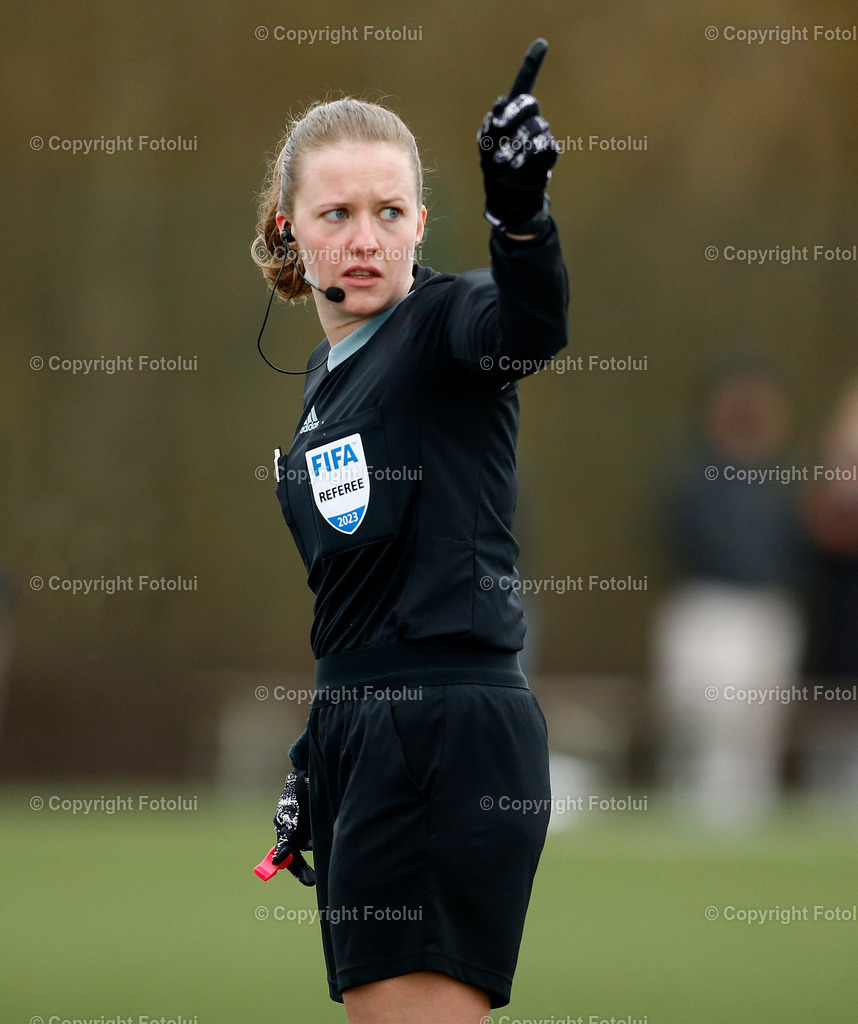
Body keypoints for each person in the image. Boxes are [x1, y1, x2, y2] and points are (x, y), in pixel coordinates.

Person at [251, 44, 568, 1023]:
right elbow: (357, 599)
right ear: (289, 229)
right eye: (335, 213)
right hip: (362, 734)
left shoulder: (447, 322)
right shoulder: (320, 382)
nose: (364, 237)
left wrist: (521, 221)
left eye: (389, 212)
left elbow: (529, 327)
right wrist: (317, 752)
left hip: (445, 733)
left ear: (421, 223)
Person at [651, 355, 808, 827]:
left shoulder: (782, 477)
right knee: (698, 724)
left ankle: (748, 817)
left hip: (764, 612)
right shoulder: (692, 474)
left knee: (755, 730)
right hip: (707, 608)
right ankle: (688, 812)